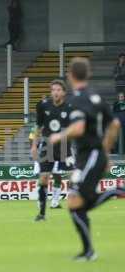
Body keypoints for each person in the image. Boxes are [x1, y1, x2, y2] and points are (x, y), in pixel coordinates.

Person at [50, 57, 125, 261]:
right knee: (76, 202)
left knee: (76, 202)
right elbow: (115, 125)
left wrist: (59, 135)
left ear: (70, 75)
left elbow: (79, 127)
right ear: (88, 74)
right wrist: (106, 153)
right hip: (93, 156)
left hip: (90, 155)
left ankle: (117, 192)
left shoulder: (77, 100)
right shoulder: (96, 97)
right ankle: (88, 251)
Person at [31, 80, 73, 221]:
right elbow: (37, 127)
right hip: (47, 147)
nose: (55, 92)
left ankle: (76, 208)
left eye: (58, 90)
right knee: (43, 178)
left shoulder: (70, 108)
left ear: (64, 92)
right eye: (53, 90)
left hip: (65, 147)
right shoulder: (44, 106)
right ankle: (42, 214)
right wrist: (34, 146)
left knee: (73, 177)